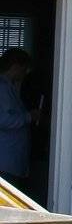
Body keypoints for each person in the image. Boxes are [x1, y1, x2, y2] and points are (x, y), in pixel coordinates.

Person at [0, 48, 34, 184]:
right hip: (5, 161)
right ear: (15, 66)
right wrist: (29, 117)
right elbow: (2, 119)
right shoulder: (2, 89)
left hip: (10, 161)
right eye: (24, 69)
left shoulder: (10, 88)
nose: (25, 73)